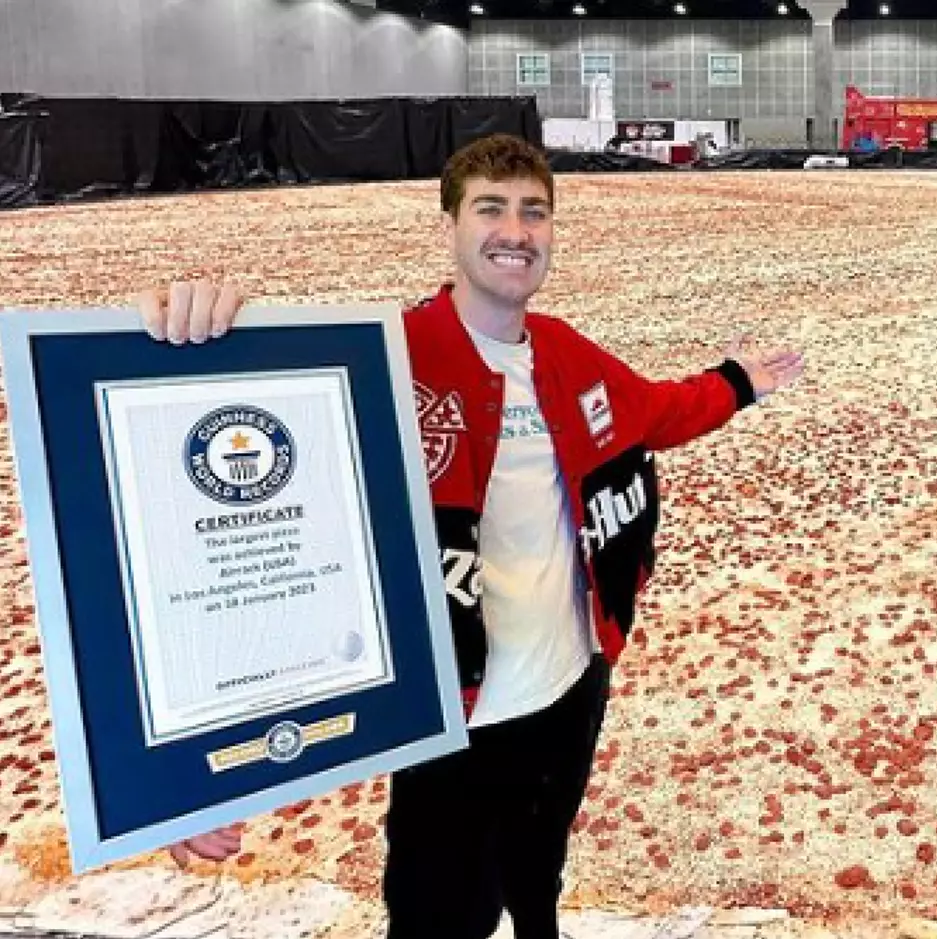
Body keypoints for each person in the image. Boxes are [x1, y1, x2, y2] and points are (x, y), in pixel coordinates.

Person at [140, 132, 805, 939]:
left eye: (534, 211)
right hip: (450, 723)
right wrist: (193, 353)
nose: (515, 231)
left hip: (568, 692)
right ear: (450, 223)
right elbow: (238, 548)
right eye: (490, 208)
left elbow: (657, 414)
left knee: (537, 876)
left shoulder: (564, 352)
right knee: (437, 912)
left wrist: (737, 384)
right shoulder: (382, 358)